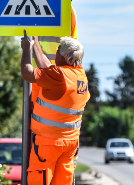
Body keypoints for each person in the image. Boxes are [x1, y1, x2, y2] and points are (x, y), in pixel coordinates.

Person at [21, 30, 90, 185]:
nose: (56, 53)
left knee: (39, 181)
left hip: (50, 143)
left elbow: (27, 73)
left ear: (64, 57)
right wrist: (35, 43)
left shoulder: (59, 76)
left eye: (58, 50)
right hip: (70, 143)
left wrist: (26, 49)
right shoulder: (80, 76)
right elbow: (47, 68)